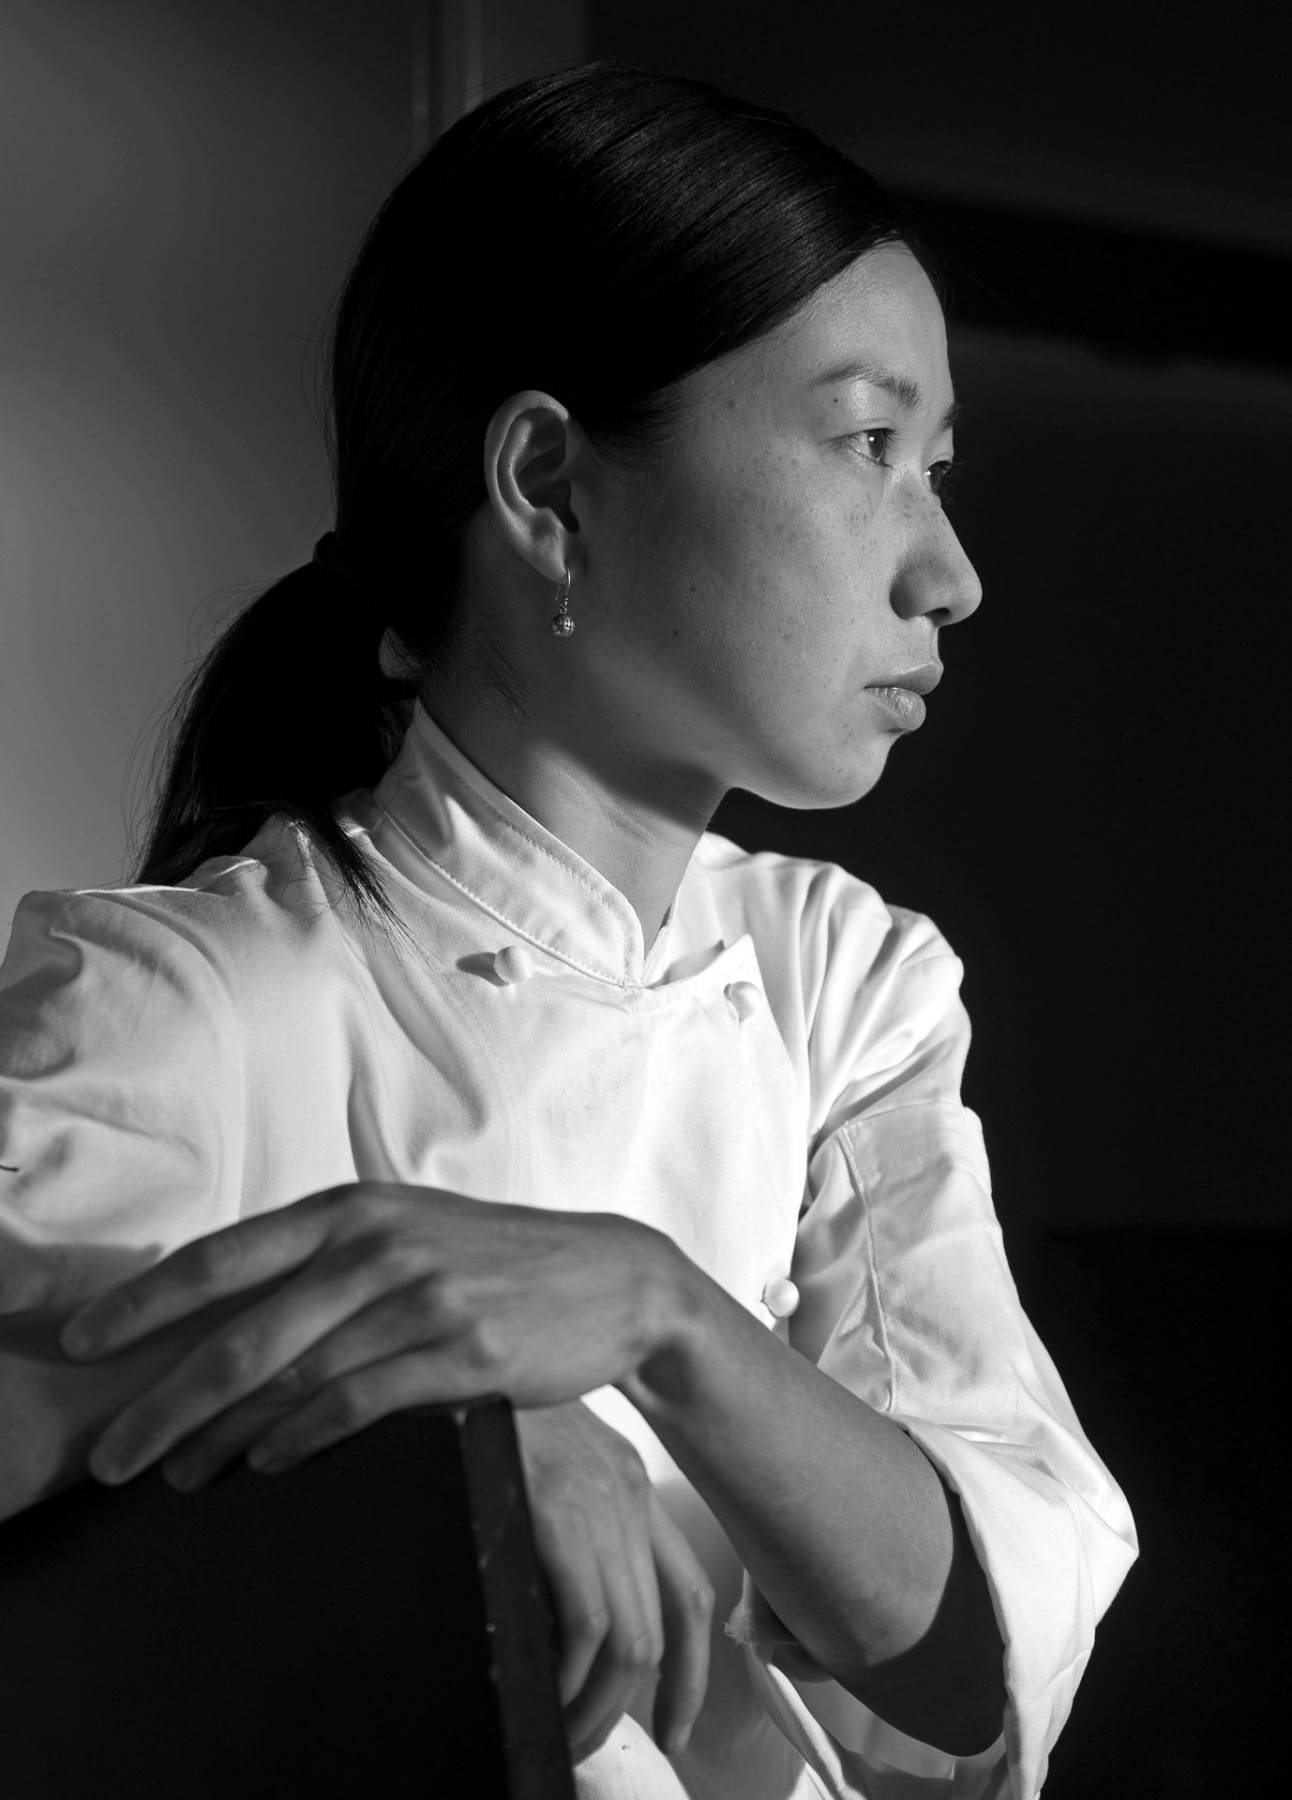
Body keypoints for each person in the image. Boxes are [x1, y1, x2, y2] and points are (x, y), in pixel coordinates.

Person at [0, 61, 1136, 1800]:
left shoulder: (851, 986)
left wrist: (654, 1312)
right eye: (869, 446)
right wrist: (442, 1443)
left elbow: (974, 1652)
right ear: (549, 483)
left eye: (938, 466)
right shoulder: (186, 999)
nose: (949, 572)